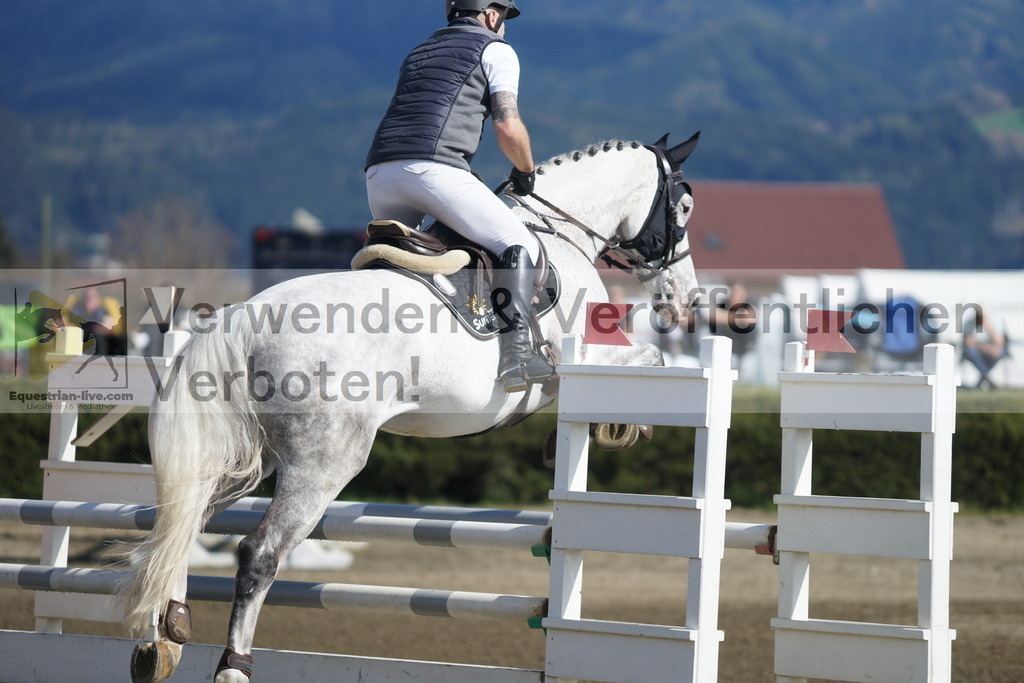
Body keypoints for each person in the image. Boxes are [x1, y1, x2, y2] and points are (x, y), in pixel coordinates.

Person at [364, 0, 553, 393]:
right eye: (503, 19)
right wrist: (526, 170)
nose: (503, 27)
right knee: (517, 241)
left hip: (379, 173)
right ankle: (516, 354)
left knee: (408, 263)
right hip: (434, 171)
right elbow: (507, 126)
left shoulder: (418, 52)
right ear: (491, 14)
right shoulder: (495, 49)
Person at [963, 307, 1007, 389]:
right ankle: (987, 378)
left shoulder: (993, 321)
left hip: (989, 349)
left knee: (1000, 351)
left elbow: (999, 342)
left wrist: (989, 329)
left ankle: (983, 377)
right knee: (971, 352)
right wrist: (986, 348)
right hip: (978, 350)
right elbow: (969, 342)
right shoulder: (969, 323)